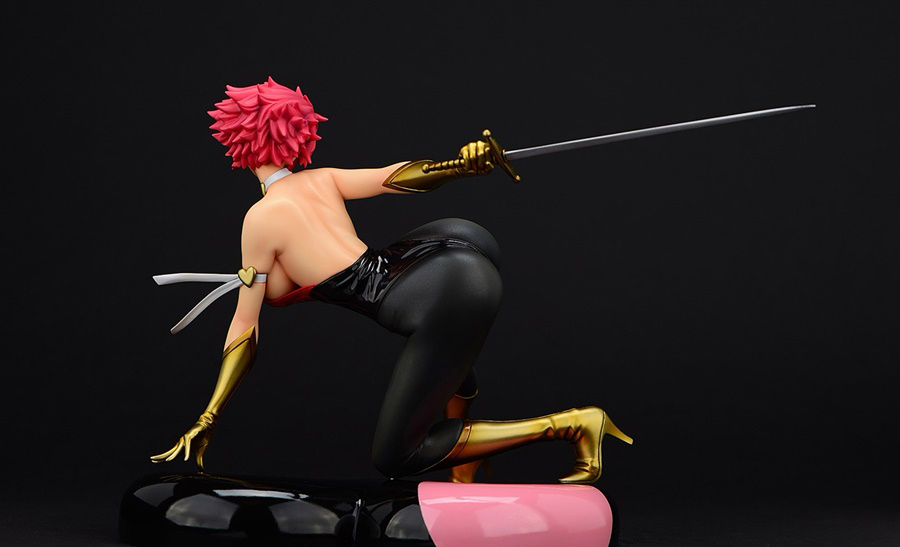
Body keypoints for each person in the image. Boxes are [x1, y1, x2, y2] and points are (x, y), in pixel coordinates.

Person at [151, 77, 632, 484]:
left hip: (436, 289)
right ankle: (465, 470)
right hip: (444, 251)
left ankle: (573, 426)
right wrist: (458, 166)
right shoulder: (319, 180)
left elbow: (245, 329)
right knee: (448, 357)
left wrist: (208, 418)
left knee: (397, 455)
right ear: (297, 132)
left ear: (236, 137)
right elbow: (392, 177)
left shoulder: (259, 219)